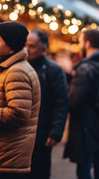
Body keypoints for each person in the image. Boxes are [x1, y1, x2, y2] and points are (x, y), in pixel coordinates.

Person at [0, 21, 41, 179]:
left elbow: (17, 114)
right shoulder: (10, 68)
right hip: (4, 155)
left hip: (4, 157)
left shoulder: (16, 72)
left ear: (11, 45)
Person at [63, 29, 99, 179]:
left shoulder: (84, 68)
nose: (79, 45)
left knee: (84, 168)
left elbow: (74, 101)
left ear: (88, 43)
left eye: (80, 42)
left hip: (85, 126)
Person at [25, 29, 68, 179]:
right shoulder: (21, 67)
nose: (27, 50)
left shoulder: (53, 70)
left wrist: (56, 131)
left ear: (44, 49)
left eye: (32, 46)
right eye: (25, 45)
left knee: (40, 171)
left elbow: (61, 102)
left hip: (42, 132)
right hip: (23, 133)